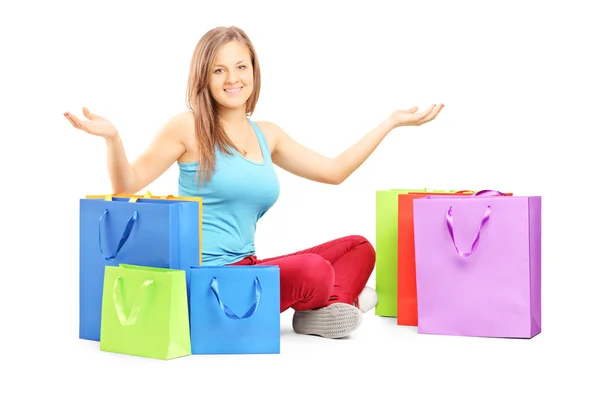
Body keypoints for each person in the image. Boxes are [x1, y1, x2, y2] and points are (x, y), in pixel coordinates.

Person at [64, 26, 444, 339]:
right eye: (219, 70)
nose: (233, 79)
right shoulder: (188, 128)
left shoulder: (268, 135)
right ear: (203, 77)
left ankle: (327, 310)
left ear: (253, 71)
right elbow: (126, 187)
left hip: (249, 266)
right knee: (313, 270)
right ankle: (332, 300)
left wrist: (390, 123)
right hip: (209, 280)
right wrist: (113, 139)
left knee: (358, 247)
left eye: (241, 67)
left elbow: (334, 171)